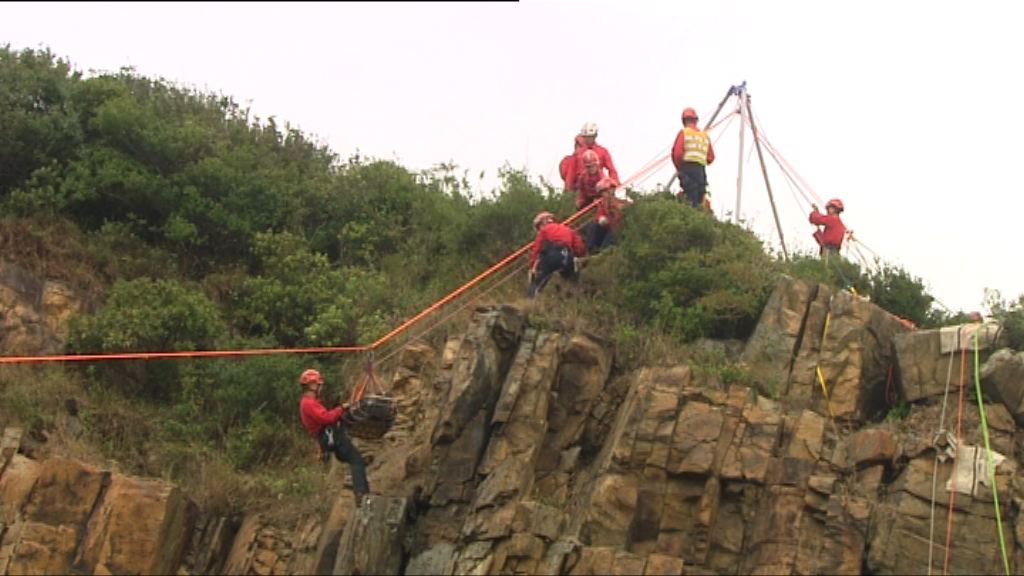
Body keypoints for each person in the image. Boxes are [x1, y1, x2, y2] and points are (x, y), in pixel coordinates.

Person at [298, 368, 370, 506]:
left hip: (327, 438)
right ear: (312, 385)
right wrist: (341, 408)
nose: (321, 387)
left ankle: (361, 479)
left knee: (353, 458)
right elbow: (326, 418)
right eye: (319, 385)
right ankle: (361, 493)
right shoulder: (308, 403)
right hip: (330, 436)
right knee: (356, 460)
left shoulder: (309, 402)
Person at [527, 211, 587, 298]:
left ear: (543, 222)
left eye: (538, 227)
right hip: (568, 257)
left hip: (554, 255)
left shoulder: (544, 230)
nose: (538, 230)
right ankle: (573, 298)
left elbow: (537, 249)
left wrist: (532, 266)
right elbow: (580, 248)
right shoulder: (568, 229)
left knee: (540, 279)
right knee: (570, 280)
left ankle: (530, 300)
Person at [671, 107, 716, 208]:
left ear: (684, 121)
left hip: (687, 169)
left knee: (690, 199)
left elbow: (677, 154)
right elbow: (711, 157)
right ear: (696, 120)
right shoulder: (704, 136)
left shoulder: (684, 133)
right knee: (699, 199)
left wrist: (679, 169)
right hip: (701, 171)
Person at [564, 122, 619, 197]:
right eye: (586, 137)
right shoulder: (577, 153)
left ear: (595, 136)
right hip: (581, 188)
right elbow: (571, 173)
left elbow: (612, 170)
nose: (588, 139)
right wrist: (568, 191)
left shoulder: (603, 151)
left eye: (590, 137)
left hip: (599, 187)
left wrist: (614, 184)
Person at [588, 177, 625, 253]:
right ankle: (591, 250)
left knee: (611, 237)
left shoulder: (622, 202)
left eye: (605, 191)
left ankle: (603, 252)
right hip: (608, 228)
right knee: (594, 226)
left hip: (618, 230)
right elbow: (599, 214)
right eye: (602, 193)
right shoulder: (603, 204)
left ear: (612, 190)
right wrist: (601, 219)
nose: (603, 195)